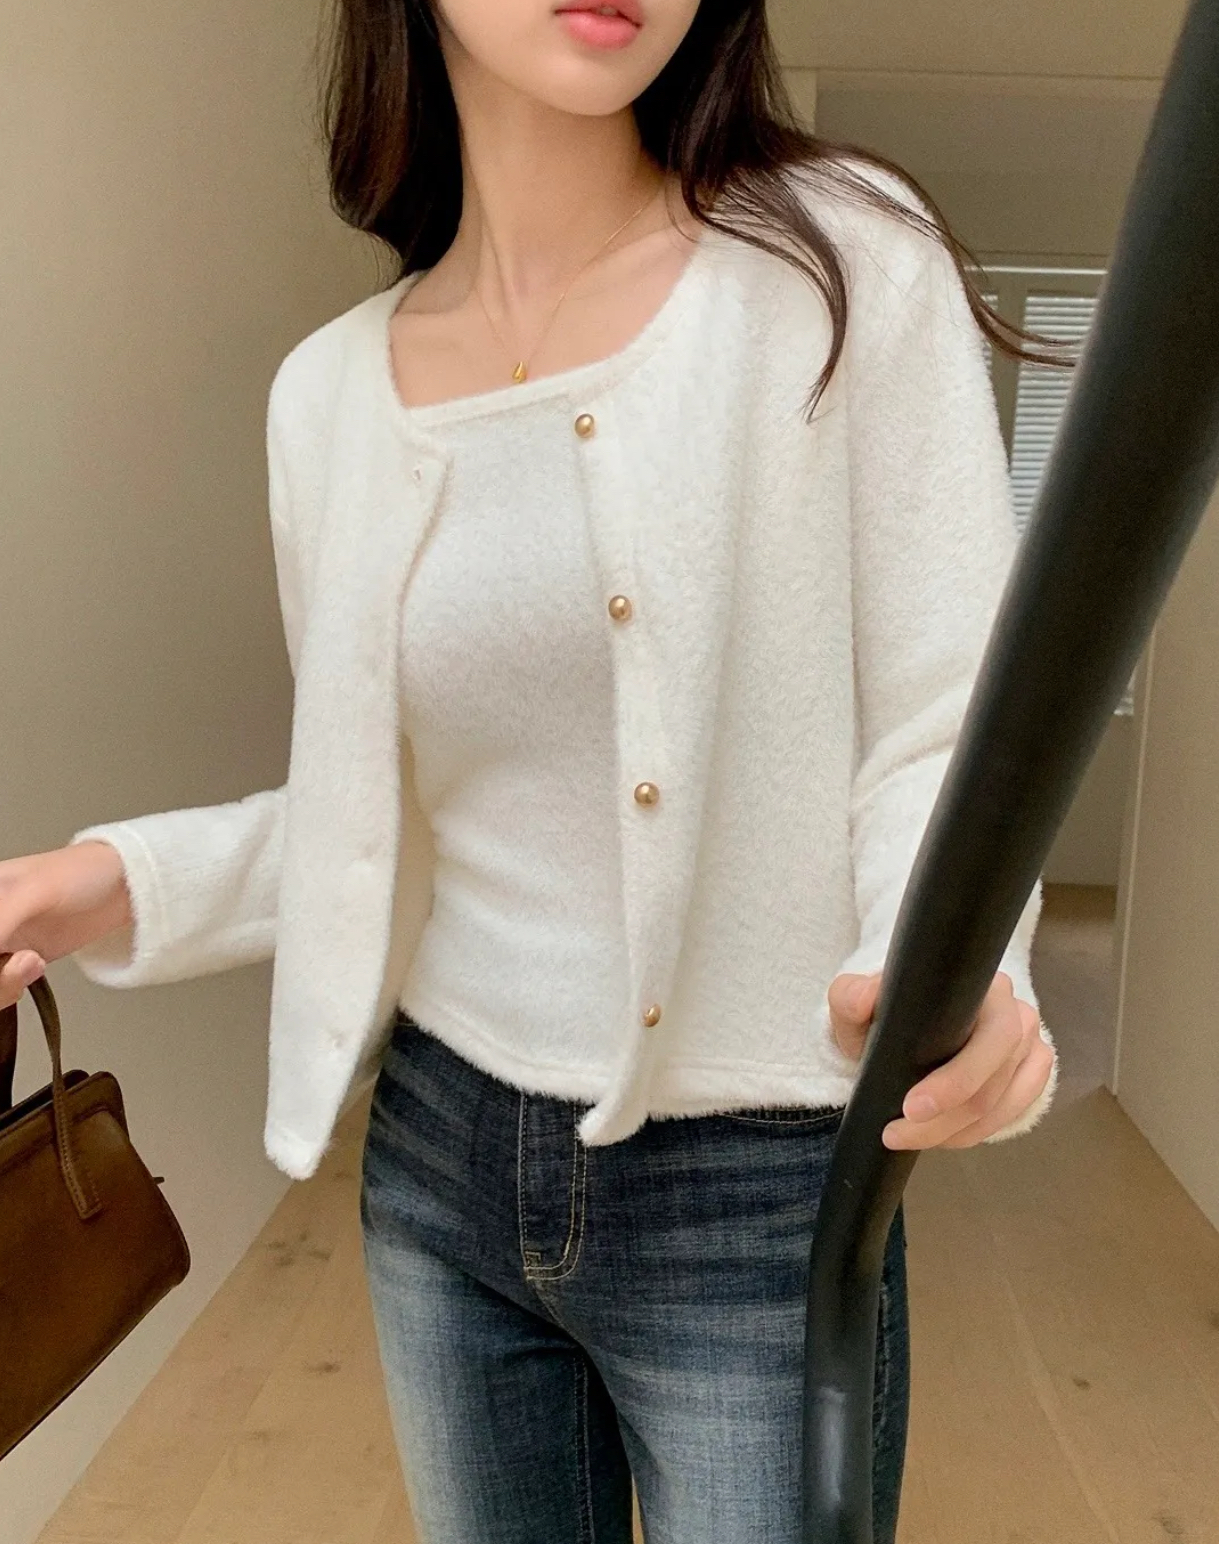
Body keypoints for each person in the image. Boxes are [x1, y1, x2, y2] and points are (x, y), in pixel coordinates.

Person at [0, 1, 1066, 1539]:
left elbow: (941, 726)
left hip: (760, 1188)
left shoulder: (843, 263)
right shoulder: (327, 401)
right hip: (439, 1166)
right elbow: (389, 826)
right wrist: (88, 883)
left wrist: (961, 969)